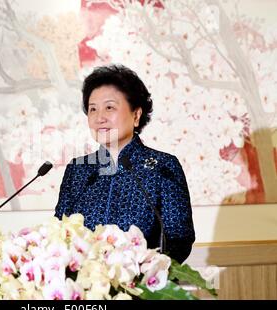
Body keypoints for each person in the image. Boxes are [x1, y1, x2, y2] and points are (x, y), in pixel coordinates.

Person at [55, 64, 195, 264]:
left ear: (136, 115)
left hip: (141, 289)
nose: (99, 117)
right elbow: (61, 233)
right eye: (93, 109)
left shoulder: (162, 167)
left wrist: (141, 274)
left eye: (109, 107)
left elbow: (179, 240)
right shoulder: (78, 170)